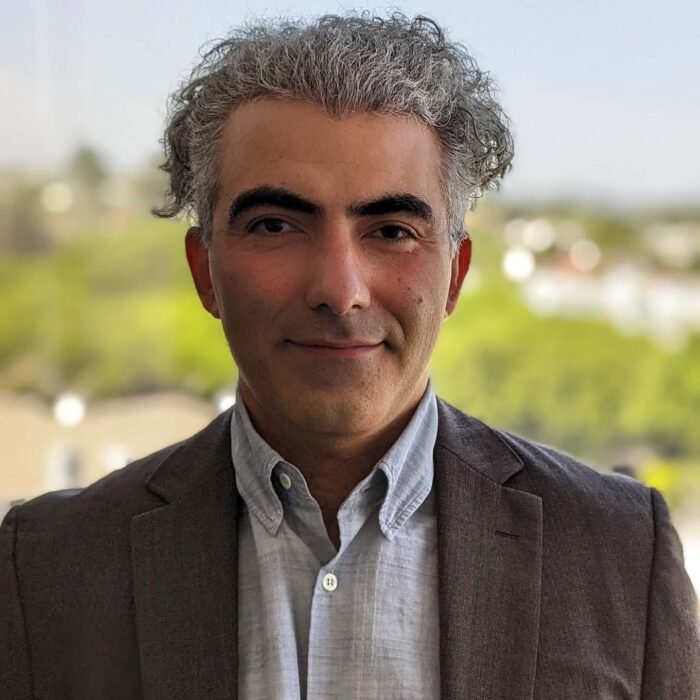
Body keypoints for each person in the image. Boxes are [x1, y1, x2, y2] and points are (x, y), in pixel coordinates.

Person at [1, 12, 698, 699]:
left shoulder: (620, 551)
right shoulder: (46, 568)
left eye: (391, 231)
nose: (340, 291)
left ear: (454, 276)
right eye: (275, 225)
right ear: (204, 271)